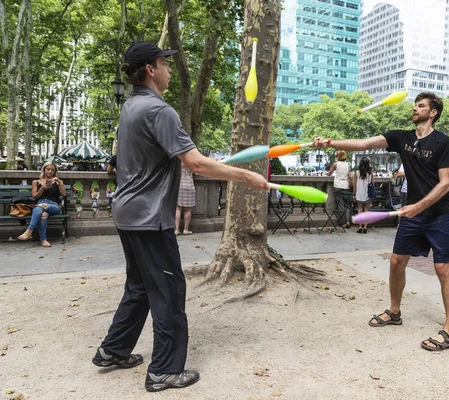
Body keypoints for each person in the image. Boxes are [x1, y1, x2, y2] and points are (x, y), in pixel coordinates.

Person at [92, 41, 270, 392]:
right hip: (149, 215)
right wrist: (248, 176)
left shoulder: (131, 106)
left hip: (128, 212)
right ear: (150, 70)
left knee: (140, 286)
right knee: (170, 289)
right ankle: (165, 371)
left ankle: (113, 351)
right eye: (164, 63)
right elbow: (197, 163)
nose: (169, 69)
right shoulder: (160, 111)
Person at [314, 91, 449, 352]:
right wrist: (329, 142)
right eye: (415, 105)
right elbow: (363, 144)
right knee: (396, 261)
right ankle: (395, 312)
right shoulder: (401, 137)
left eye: (421, 106)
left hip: (439, 215)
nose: (415, 109)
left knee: (443, 269)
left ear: (433, 113)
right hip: (412, 214)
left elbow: (446, 184)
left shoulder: (443, 143)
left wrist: (417, 206)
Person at [16, 161, 66, 247]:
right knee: (43, 214)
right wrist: (42, 188)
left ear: (55, 172)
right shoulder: (36, 182)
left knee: (39, 207)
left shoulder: (57, 182)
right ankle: (43, 240)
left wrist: (60, 184)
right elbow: (34, 196)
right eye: (48, 169)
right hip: (40, 204)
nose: (50, 171)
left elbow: (64, 194)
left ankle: (29, 231)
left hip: (53, 206)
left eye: (52, 170)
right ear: (44, 169)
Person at [327, 150, 353, 228]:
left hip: (338, 186)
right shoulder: (349, 164)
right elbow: (350, 175)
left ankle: (343, 222)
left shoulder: (335, 164)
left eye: (336, 155)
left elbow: (329, 173)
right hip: (346, 186)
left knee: (340, 205)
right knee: (347, 206)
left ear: (339, 156)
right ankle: (348, 221)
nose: (336, 157)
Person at [353, 157, 375, 233]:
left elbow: (354, 185)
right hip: (367, 194)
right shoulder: (370, 172)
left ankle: (359, 227)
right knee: (366, 210)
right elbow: (372, 183)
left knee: (359, 210)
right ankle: (365, 227)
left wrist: (354, 194)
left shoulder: (356, 172)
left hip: (359, 194)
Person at [175, 165, 195, 235]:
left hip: (178, 184)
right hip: (189, 185)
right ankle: (185, 229)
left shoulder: (178, 159)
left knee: (178, 208)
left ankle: (176, 229)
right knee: (188, 209)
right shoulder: (190, 160)